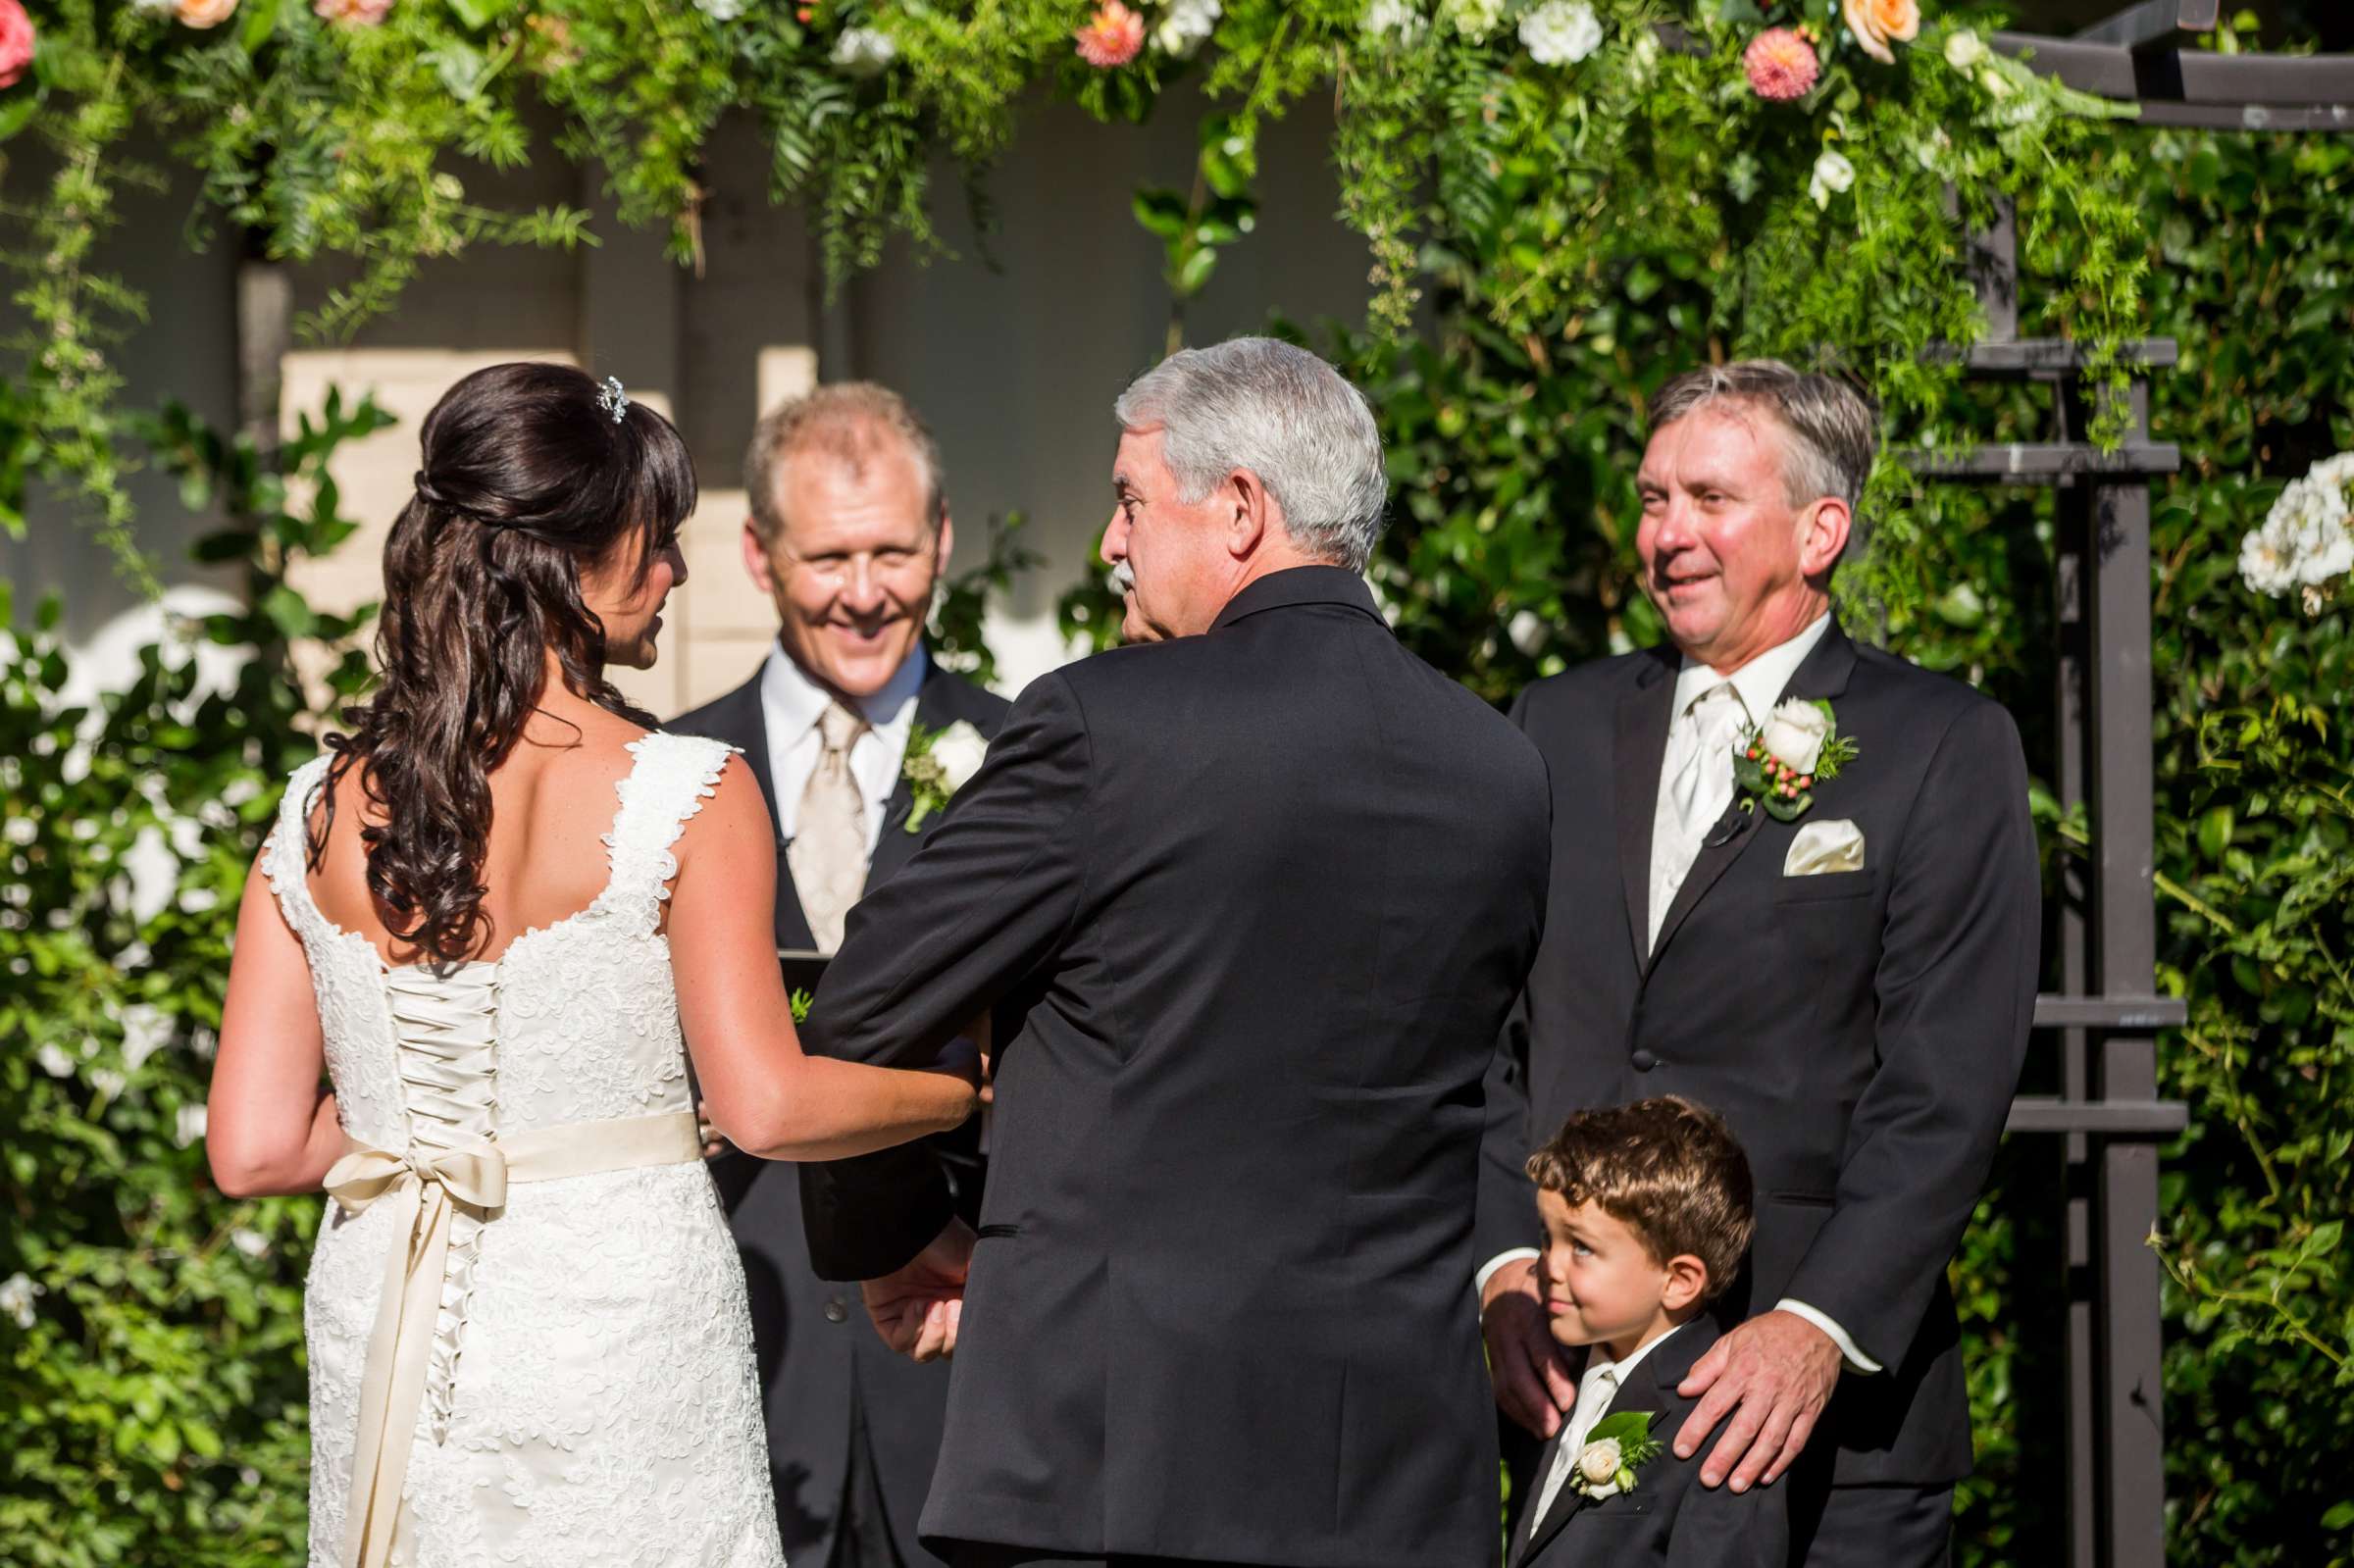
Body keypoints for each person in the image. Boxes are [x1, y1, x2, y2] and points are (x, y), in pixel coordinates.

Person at [203, 362, 978, 1568]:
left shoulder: (315, 805)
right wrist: (958, 1092)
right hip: (617, 1325)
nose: (671, 572)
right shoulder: (688, 790)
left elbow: (252, 1149)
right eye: (653, 542)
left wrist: (430, 1149)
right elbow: (762, 1102)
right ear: (564, 557)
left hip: (387, 1310)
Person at [795, 336, 1555, 1568]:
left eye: (1133, 500)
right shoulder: (1504, 767)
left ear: (1242, 510)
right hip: (1397, 1476)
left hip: (1114, 1465)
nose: (1111, 543)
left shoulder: (1107, 725)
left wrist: (896, 1230)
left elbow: (868, 997)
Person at [1476, 360, 2038, 1568]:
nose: (1668, 535)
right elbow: (1486, 1031)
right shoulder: (1554, 726)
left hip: (1834, 1438)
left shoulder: (1942, 745)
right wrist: (1507, 1268)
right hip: (1583, 1401)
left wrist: (1817, 1325)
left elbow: (1946, 1086)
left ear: (1820, 529)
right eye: (1652, 499)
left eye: (1710, 500)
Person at [672, 382, 1010, 1568]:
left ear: (944, 541)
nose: (865, 593)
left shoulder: (1030, 759)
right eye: (828, 557)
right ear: (760, 555)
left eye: (892, 552)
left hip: (960, 1354)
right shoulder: (665, 773)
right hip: (731, 1352)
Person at [1511, 1097, 1783, 1568]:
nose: (1547, 1264)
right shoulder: (1554, 1375)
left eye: (1580, 1247)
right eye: (1545, 1236)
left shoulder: (1718, 1427)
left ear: (1677, 1281)